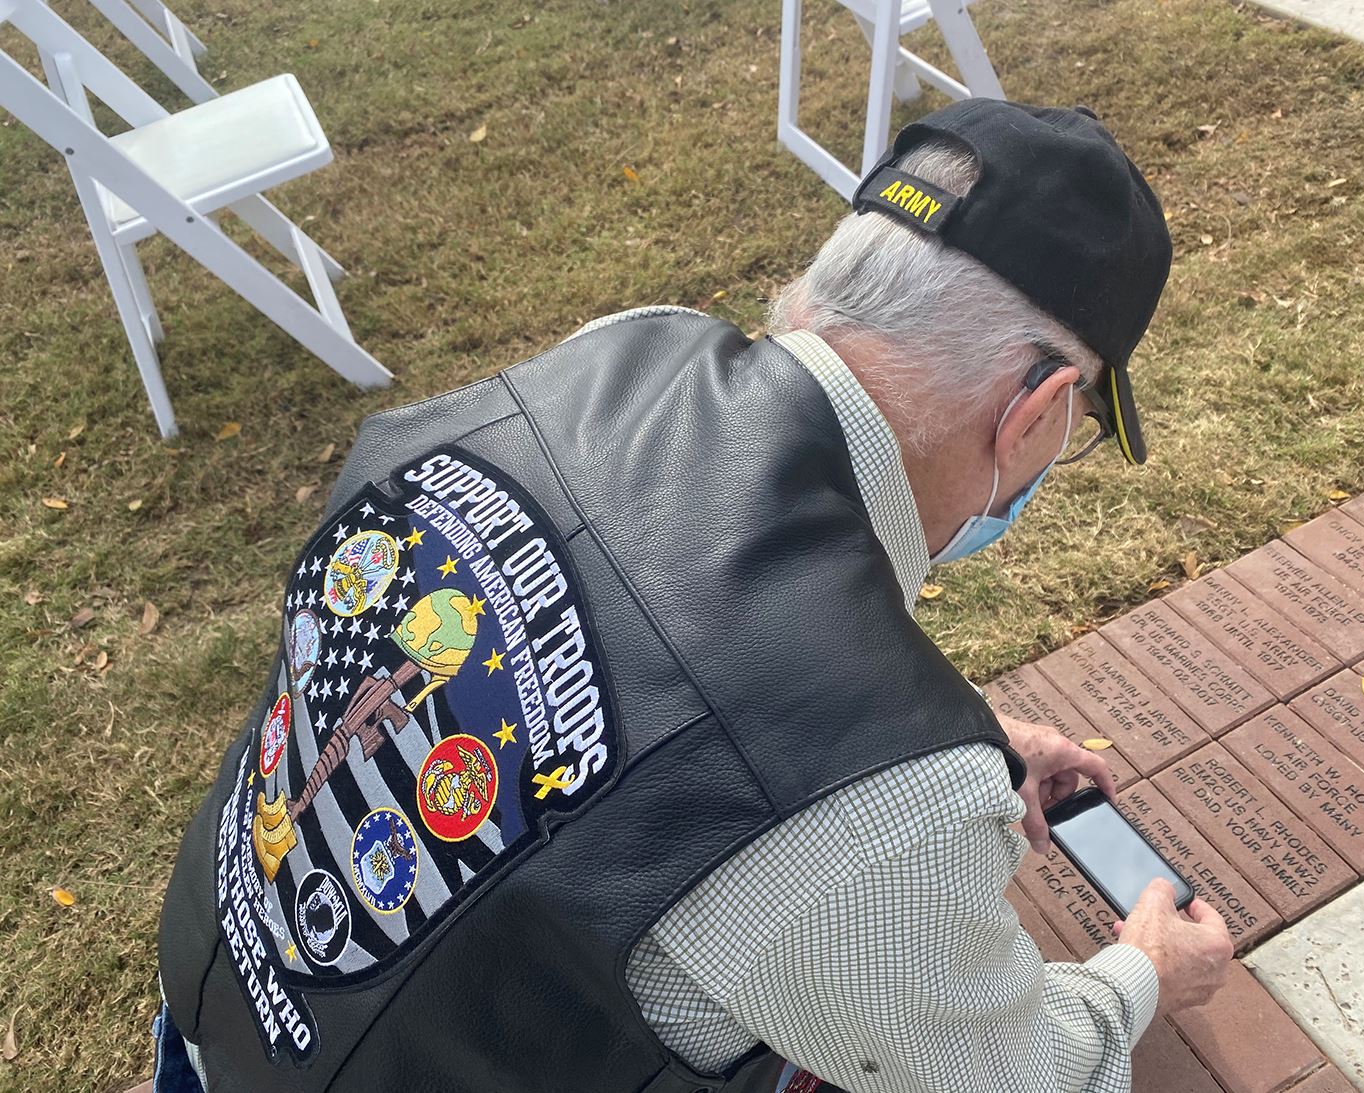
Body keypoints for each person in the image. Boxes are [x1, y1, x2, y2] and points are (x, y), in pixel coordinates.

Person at [146, 98, 1232, 1093]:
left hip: (222, 988)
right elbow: (1002, 1074)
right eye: (1078, 434)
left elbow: (597, 648)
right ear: (1037, 411)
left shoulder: (625, 346)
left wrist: (962, 747)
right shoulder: (878, 800)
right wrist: (1143, 974)